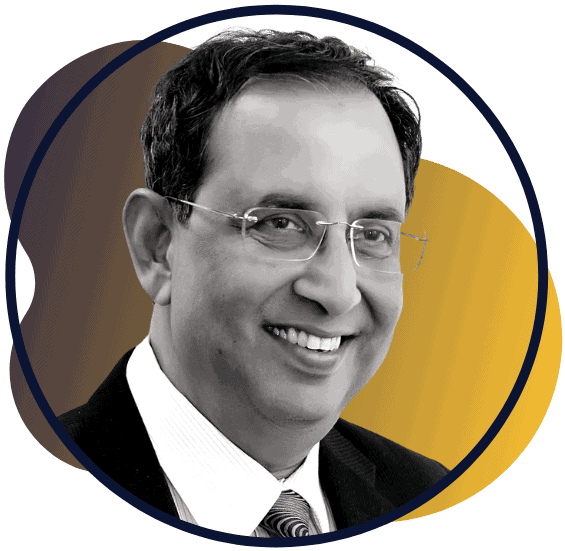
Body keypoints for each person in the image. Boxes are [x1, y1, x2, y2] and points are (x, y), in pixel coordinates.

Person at [58, 27, 448, 538]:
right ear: (159, 245)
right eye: (280, 224)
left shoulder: (430, 497)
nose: (337, 292)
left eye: (372, 234)